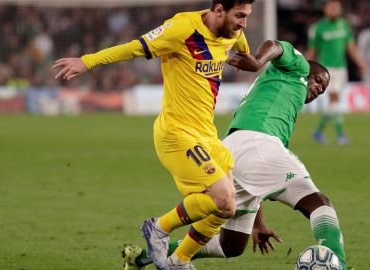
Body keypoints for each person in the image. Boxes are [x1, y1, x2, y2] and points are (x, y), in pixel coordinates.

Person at [53, 1, 255, 269]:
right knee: (222, 197)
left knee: (226, 208)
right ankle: (158, 229)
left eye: (247, 17)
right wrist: (87, 61)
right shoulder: (181, 29)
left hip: (207, 134)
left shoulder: (234, 34)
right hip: (177, 133)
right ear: (219, 10)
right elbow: (134, 48)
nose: (244, 23)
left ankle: (180, 260)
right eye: (239, 16)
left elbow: (244, 54)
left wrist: (252, 62)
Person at [123, 40, 350, 270]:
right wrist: (258, 60)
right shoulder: (297, 66)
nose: (319, 89)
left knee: (231, 244)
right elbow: (275, 45)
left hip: (236, 150)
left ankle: (144, 257)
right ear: (307, 72)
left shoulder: (277, 95)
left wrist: (258, 224)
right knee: (320, 204)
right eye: (319, 81)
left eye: (323, 90)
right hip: (257, 142)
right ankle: (338, 263)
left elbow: (258, 177)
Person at [307, 0, 365, 145]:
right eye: (331, 7)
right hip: (326, 70)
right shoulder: (319, 28)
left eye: (336, 8)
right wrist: (307, 68)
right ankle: (340, 135)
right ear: (326, 9)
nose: (334, 10)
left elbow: (351, 47)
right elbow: (312, 51)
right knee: (334, 99)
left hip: (342, 69)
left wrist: (360, 62)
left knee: (334, 102)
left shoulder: (344, 25)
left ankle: (318, 132)